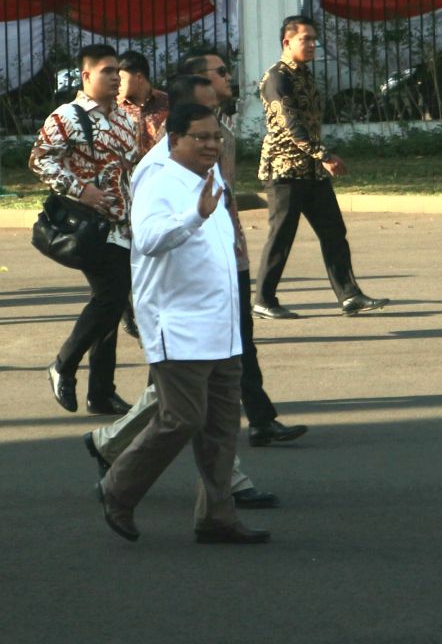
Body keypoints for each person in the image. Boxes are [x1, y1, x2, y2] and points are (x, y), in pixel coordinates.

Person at [84, 71, 298, 511]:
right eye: (200, 136)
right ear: (172, 134)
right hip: (179, 323)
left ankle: (218, 518)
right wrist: (194, 217)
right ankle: (118, 488)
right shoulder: (158, 176)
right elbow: (147, 240)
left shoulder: (206, 170)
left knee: (219, 427)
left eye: (215, 135)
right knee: (181, 417)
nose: (211, 144)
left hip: (220, 321)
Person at [178, 50, 310, 446]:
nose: (228, 78)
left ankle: (260, 419)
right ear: (198, 82)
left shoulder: (218, 128)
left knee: (237, 343)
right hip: (198, 256)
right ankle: (118, 440)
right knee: (189, 360)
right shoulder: (177, 135)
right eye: (219, 73)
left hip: (226, 249)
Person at [253, 14, 388, 319]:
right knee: (282, 235)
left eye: (314, 39)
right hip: (284, 169)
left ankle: (349, 295)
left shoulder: (304, 75)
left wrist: (319, 157)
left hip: (311, 170)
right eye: (306, 39)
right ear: (287, 42)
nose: (313, 45)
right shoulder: (277, 77)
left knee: (333, 231)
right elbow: (291, 125)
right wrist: (324, 155)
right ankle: (263, 299)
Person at [30, 44, 135, 415]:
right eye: (106, 71)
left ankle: (101, 392)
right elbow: (40, 161)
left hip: (122, 227)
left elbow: (129, 171)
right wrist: (82, 190)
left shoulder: (124, 119)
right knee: (111, 296)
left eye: (117, 71)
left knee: (111, 302)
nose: (114, 77)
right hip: (91, 228)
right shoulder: (68, 116)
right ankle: (63, 364)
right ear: (86, 75)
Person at [116, 49, 169, 341]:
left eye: (121, 77)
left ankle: (156, 314)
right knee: (123, 255)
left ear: (139, 77)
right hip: (124, 192)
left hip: (159, 191)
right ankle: (127, 312)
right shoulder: (114, 107)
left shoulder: (167, 103)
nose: (117, 83)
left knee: (156, 255)